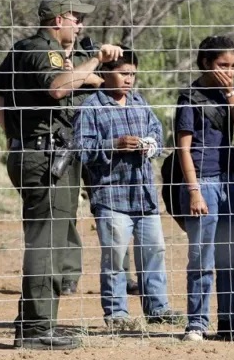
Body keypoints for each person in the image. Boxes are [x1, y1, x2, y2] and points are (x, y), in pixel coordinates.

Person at [0, 0, 123, 350]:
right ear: (59, 19)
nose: (80, 24)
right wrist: (93, 62)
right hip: (44, 158)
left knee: (55, 240)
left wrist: (14, 135)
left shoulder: (32, 51)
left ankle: (36, 321)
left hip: (44, 154)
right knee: (46, 242)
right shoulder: (39, 50)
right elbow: (58, 88)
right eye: (76, 17)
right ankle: (35, 330)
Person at [74, 46, 182, 330]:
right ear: (105, 74)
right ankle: (116, 314)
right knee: (116, 257)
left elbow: (158, 136)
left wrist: (149, 146)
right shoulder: (90, 108)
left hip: (145, 196)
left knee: (154, 251)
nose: (129, 79)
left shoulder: (139, 102)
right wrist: (114, 145)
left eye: (133, 74)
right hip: (111, 197)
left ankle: (158, 308)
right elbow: (81, 151)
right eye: (123, 73)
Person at [174, 35, 234, 342]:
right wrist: (193, 191)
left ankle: (230, 321)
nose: (229, 71)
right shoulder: (190, 98)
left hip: (230, 183)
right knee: (201, 257)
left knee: (231, 257)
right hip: (202, 184)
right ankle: (197, 323)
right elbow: (183, 149)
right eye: (223, 65)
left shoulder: (229, 96)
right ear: (206, 63)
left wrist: (232, 96)